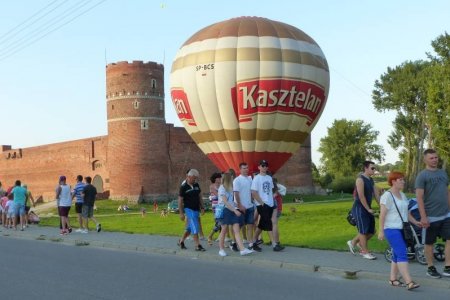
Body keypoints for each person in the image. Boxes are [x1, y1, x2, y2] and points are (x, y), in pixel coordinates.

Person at [378, 171, 420, 290]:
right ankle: (409, 282)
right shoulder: (387, 196)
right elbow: (382, 215)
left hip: (402, 228)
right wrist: (381, 231)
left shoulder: (402, 195)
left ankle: (393, 279)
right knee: (402, 253)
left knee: (397, 254)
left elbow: (406, 213)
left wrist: (416, 222)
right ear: (393, 181)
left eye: (403, 179)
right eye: (400, 180)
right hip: (391, 229)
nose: (403, 181)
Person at [415, 148, 450, 278]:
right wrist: (423, 217)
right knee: (429, 243)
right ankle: (430, 267)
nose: (435, 160)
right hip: (431, 216)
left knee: (449, 239)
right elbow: (419, 197)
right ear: (425, 160)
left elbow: (447, 192)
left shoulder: (443, 173)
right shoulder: (422, 176)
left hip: (446, 214)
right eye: (431, 158)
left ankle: (448, 267)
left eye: (436, 157)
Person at [347, 161, 380, 259]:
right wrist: (368, 209)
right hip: (359, 208)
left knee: (372, 230)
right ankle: (364, 252)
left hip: (367, 208)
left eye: (374, 168)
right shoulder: (360, 179)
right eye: (372, 168)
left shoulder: (371, 180)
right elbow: (361, 196)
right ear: (366, 168)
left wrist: (381, 206)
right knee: (363, 231)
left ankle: (353, 242)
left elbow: (376, 195)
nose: (374, 170)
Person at [217, 172, 253, 256]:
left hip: (231, 210)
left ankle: (242, 249)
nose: (233, 180)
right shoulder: (222, 188)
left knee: (236, 230)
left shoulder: (230, 188)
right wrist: (235, 210)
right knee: (224, 230)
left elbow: (231, 201)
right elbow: (225, 202)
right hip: (225, 210)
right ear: (229, 179)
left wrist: (238, 206)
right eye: (232, 178)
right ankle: (221, 249)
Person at [251, 160, 283, 252]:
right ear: (259, 167)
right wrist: (262, 203)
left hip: (271, 203)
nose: (264, 167)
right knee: (268, 224)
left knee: (262, 225)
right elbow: (254, 192)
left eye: (266, 165)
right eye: (263, 165)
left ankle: (253, 243)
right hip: (262, 204)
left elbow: (271, 190)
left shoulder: (269, 178)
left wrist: (272, 201)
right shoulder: (256, 178)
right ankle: (274, 245)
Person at [177, 169, 206, 251]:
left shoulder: (196, 185)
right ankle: (198, 245)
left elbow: (200, 196)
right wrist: (181, 213)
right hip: (189, 209)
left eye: (196, 178)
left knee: (190, 228)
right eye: (194, 178)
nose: (195, 180)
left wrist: (202, 207)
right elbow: (180, 200)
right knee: (195, 226)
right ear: (188, 177)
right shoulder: (183, 187)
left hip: (196, 209)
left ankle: (181, 241)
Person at [233, 162, 256, 250]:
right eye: (244, 168)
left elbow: (251, 192)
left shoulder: (250, 179)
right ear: (240, 169)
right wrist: (239, 205)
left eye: (247, 168)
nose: (246, 169)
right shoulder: (237, 180)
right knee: (238, 227)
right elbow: (236, 193)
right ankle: (234, 243)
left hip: (249, 206)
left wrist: (252, 201)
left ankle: (250, 244)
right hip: (240, 207)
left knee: (250, 225)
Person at [207, 172, 222, 245]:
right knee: (219, 222)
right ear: (215, 179)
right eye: (218, 178)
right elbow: (218, 195)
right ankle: (210, 236)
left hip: (222, 206)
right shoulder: (212, 186)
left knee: (222, 223)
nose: (220, 179)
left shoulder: (222, 186)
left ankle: (221, 240)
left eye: (220, 177)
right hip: (216, 207)